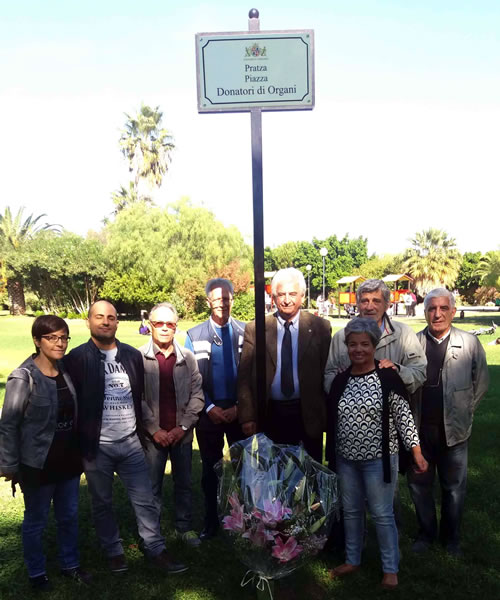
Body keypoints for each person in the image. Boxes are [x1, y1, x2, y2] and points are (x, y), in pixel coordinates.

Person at [64, 300, 187, 574]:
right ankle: (113, 551)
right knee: (102, 502)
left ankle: (155, 548)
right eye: (99, 317)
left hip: (131, 442)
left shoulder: (131, 356)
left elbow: (138, 396)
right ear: (88, 321)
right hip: (97, 446)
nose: (105, 322)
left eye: (111, 317)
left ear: (117, 322)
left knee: (145, 500)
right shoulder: (76, 358)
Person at [326, 317, 427, 590]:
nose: (358, 349)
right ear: (346, 347)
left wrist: (416, 452)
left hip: (379, 460)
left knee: (382, 514)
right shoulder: (340, 380)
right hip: (346, 460)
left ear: (374, 346)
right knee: (351, 511)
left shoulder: (388, 377)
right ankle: (352, 560)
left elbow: (404, 417)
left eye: (364, 344)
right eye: (352, 344)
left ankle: (390, 568)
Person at [0, 315, 90, 591]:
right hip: (37, 463)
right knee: (36, 521)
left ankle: (70, 564)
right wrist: (9, 464)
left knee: (68, 516)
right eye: (51, 338)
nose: (59, 343)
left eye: (63, 337)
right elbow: (9, 423)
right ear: (37, 341)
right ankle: (37, 572)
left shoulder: (65, 371)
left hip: (68, 460)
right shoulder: (23, 377)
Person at [407, 288, 489, 557]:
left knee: (454, 489)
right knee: (419, 486)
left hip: (454, 432)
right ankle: (426, 534)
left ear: (453, 312)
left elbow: (481, 382)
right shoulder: (413, 343)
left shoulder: (469, 343)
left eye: (443, 308)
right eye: (432, 308)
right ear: (424, 312)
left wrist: (465, 411)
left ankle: (451, 539)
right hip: (419, 432)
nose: (437, 314)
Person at [237, 268, 331, 463]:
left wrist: (326, 416)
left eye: (292, 294)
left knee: (309, 472)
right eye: (281, 294)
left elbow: (327, 371)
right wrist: (247, 416)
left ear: (303, 296)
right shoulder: (256, 329)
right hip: (270, 414)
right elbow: (244, 376)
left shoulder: (320, 327)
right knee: (273, 472)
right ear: (273, 297)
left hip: (307, 414)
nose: (287, 300)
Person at [185, 278, 246, 540]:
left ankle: (246, 520)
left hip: (239, 411)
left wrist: (239, 406)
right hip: (208, 413)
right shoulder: (194, 334)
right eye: (217, 299)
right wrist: (209, 406)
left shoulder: (246, 331)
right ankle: (211, 520)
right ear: (208, 301)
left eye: (226, 298)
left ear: (233, 299)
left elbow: (254, 374)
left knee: (245, 469)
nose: (222, 303)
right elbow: (191, 378)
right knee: (211, 470)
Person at [140, 302, 204, 547]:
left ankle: (184, 527)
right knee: (151, 486)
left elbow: (197, 395)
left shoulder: (188, 358)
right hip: (152, 437)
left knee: (184, 483)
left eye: (170, 324)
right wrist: (154, 430)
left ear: (176, 327)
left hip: (181, 435)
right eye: (159, 323)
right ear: (150, 326)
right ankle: (152, 533)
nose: (165, 328)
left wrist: (183, 427)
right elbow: (136, 398)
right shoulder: (139, 358)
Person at [325, 279, 426, 398]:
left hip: (391, 407)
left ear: (387, 305)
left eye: (376, 301)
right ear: (357, 304)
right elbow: (329, 375)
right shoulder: (341, 337)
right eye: (364, 301)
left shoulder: (404, 334)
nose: (369, 307)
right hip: (351, 407)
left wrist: (397, 371)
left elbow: (420, 373)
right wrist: (343, 383)